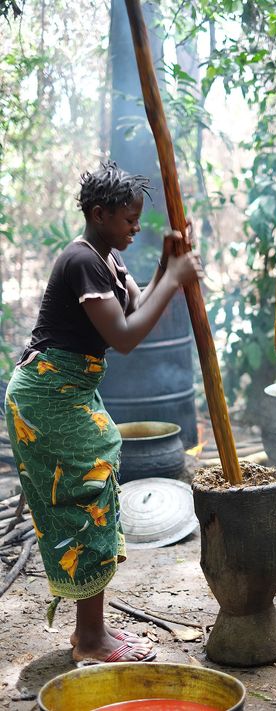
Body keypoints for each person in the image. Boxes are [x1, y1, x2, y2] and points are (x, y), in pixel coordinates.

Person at [4, 161, 203, 664]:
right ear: (99, 213)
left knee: (92, 490)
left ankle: (90, 632)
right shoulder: (82, 261)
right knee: (85, 495)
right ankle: (91, 640)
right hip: (48, 395)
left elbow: (137, 313)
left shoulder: (107, 259)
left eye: (139, 220)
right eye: (129, 220)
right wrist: (175, 277)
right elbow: (125, 338)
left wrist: (165, 266)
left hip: (71, 390)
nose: (136, 228)